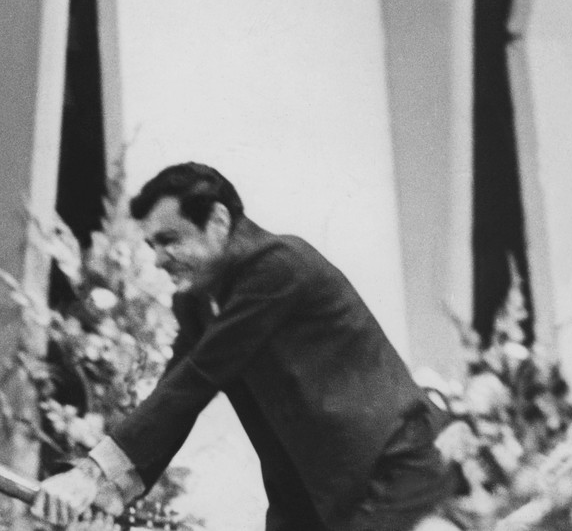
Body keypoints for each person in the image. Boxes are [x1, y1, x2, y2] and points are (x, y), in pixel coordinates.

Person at [30, 162, 460, 530]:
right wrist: (114, 490)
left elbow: (198, 378)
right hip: (308, 496)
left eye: (170, 239)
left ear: (218, 221)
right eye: (151, 245)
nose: (157, 258)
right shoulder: (196, 302)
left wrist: (91, 473)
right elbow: (176, 396)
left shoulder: (279, 265)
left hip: (392, 472)